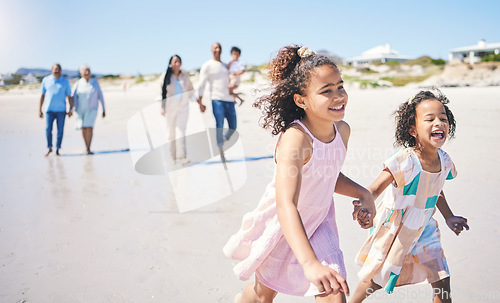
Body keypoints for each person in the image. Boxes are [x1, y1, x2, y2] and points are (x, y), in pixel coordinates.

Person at [223, 45, 374, 303]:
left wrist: (363, 193)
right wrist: (309, 262)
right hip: (285, 223)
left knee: (333, 291)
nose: (338, 96)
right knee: (262, 295)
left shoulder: (342, 131)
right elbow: (286, 204)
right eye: (326, 91)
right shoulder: (297, 139)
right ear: (301, 100)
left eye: (340, 86)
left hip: (320, 221)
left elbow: (327, 176)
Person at [350, 90, 469, 303]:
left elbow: (436, 189)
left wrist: (449, 217)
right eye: (430, 119)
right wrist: (364, 204)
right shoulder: (405, 160)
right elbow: (375, 188)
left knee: (441, 279)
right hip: (397, 228)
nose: (439, 123)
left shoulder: (444, 160)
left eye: (443, 118)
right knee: (377, 278)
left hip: (425, 227)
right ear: (412, 129)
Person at [196, 42, 235, 160]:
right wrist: (200, 102)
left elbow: (231, 80)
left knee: (233, 127)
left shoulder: (225, 65)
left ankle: (222, 140)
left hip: (229, 99)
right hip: (216, 99)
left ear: (222, 50)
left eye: (219, 48)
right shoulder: (207, 65)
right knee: (220, 125)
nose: (217, 50)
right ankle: (220, 148)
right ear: (211, 50)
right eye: (215, 48)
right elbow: (201, 84)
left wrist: (234, 91)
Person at [160, 54, 199, 165]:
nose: (177, 64)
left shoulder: (184, 76)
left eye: (179, 62)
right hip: (169, 108)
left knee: (181, 131)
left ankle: (182, 157)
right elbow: (160, 93)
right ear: (170, 64)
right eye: (175, 62)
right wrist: (162, 107)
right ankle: (172, 157)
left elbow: (191, 90)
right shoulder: (165, 76)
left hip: (183, 107)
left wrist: (197, 101)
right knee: (170, 133)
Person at [39, 63, 73, 156]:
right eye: (55, 69)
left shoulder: (65, 82)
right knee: (48, 129)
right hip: (49, 110)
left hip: (61, 110)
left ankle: (58, 148)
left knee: (60, 130)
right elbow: (42, 95)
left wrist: (71, 109)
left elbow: (69, 96)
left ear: (61, 71)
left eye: (58, 69)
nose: (56, 71)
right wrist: (40, 109)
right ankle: (49, 147)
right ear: (51, 70)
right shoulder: (46, 80)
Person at [72, 65, 106, 155]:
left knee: (89, 127)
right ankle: (85, 146)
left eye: (88, 71)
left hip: (92, 109)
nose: (87, 73)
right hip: (80, 110)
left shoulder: (95, 83)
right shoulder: (78, 83)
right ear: (81, 73)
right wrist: (71, 109)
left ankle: (89, 148)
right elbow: (73, 97)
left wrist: (103, 109)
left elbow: (100, 96)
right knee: (83, 127)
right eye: (85, 71)